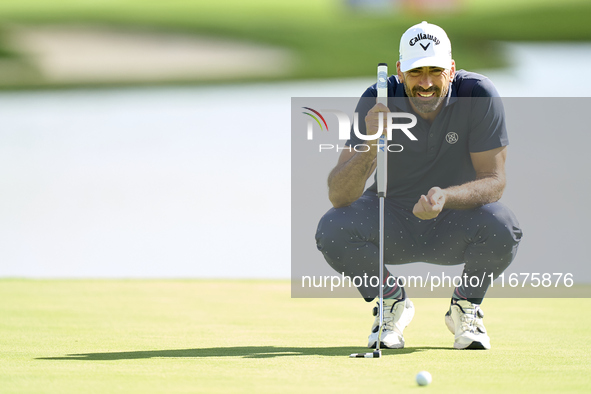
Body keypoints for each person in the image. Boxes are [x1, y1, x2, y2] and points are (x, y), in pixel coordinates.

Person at [315, 21, 523, 350]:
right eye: (415, 72)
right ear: (399, 71)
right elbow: (339, 194)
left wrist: (446, 197)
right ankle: (391, 302)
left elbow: (494, 181)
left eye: (435, 71)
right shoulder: (377, 98)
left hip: (456, 219)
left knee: (503, 225)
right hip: (391, 220)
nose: (425, 83)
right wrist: (370, 144)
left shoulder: (477, 94)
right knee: (333, 227)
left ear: (451, 69)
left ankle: (465, 307)